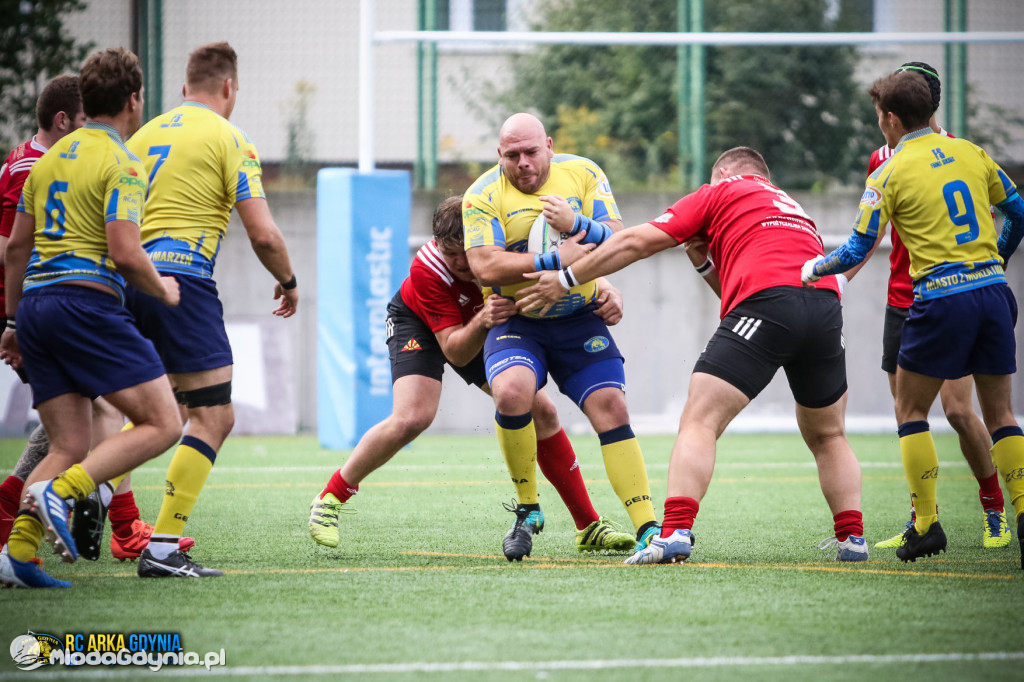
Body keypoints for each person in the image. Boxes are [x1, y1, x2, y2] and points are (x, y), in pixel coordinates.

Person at [520, 146, 868, 565]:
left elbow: (635, 241)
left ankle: (675, 532)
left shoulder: (720, 191)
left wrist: (567, 278)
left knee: (700, 419)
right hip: (825, 307)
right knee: (829, 435)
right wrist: (704, 264)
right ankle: (852, 539)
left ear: (722, 174)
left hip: (770, 302)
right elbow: (736, 293)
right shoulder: (792, 207)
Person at [308, 196, 635, 556]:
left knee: (543, 412)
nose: (463, 264)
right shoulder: (428, 271)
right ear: (437, 246)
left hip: (486, 321)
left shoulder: (501, 239)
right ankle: (331, 497)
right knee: (412, 417)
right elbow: (456, 351)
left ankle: (588, 526)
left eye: (466, 252)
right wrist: (482, 319)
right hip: (424, 324)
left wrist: (605, 289)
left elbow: (557, 257)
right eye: (452, 256)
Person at [802, 70, 1024, 566]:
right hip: (992, 294)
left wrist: (814, 266)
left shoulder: (888, 171)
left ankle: (926, 526)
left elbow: (859, 245)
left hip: (940, 300)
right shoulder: (972, 152)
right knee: (1003, 415)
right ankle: (1020, 511)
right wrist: (999, 259)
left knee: (911, 413)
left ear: (890, 118)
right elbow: (1019, 211)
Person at [0, 46, 184, 589]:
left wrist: (12, 323)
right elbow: (125, 251)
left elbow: (15, 249)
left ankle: (18, 553)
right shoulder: (123, 162)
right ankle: (63, 491)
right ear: (133, 100)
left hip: (35, 309)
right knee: (163, 422)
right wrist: (163, 289)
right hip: (85, 304)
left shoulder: (47, 158)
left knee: (66, 444)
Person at [124, 41, 298, 578]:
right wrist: (289, 282)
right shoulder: (231, 138)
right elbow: (263, 234)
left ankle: (81, 497)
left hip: (126, 281)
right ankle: (156, 545)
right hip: (183, 282)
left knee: (159, 414)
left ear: (183, 89)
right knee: (214, 415)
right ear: (228, 88)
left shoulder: (143, 134)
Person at [463, 113, 660, 561]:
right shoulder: (481, 195)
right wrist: (556, 261)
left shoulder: (585, 173)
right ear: (500, 156)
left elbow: (617, 240)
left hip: (579, 317)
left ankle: (649, 527)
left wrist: (577, 226)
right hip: (518, 321)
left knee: (611, 405)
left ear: (549, 145)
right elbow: (486, 267)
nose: (523, 163)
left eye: (531, 151)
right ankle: (529, 508)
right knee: (512, 392)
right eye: (512, 155)